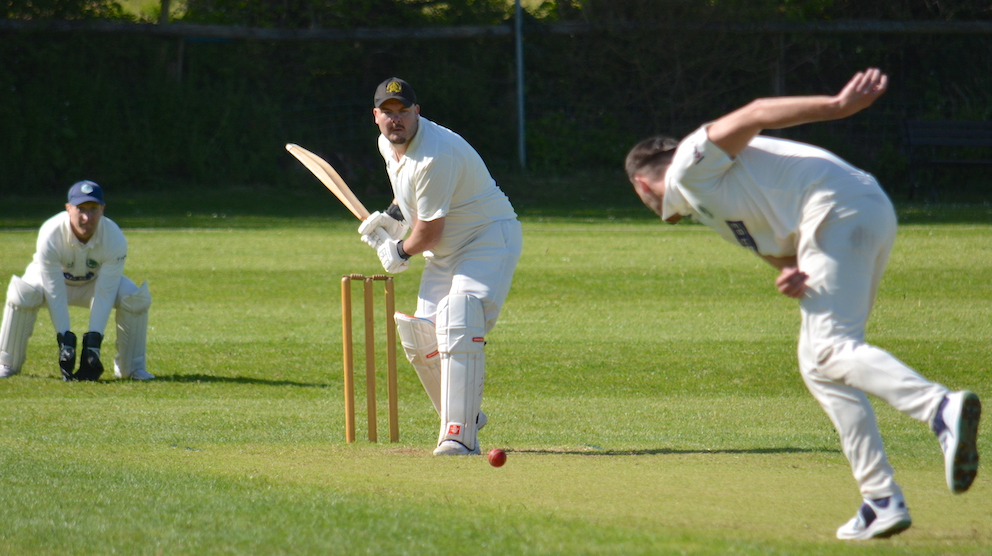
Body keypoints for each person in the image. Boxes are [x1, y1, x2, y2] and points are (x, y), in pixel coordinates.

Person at [625, 68, 981, 540]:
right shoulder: (703, 203)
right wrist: (791, 269)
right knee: (819, 363)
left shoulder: (690, 165)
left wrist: (838, 106)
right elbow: (772, 246)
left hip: (838, 208)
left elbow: (755, 114)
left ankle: (940, 409)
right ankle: (880, 500)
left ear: (642, 186)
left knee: (831, 349)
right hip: (855, 212)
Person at [358, 77, 523, 456]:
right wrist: (391, 218)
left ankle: (458, 436)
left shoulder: (435, 154)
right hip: (446, 251)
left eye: (403, 112)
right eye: (388, 112)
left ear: (417, 112)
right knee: (421, 334)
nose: (395, 120)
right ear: (376, 116)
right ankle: (468, 416)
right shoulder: (388, 144)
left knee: (458, 316)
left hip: (486, 239)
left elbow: (429, 231)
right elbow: (411, 197)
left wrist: (398, 250)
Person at [0, 180, 153, 381]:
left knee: (134, 298)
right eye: (80, 209)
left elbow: (106, 292)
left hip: (92, 284)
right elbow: (54, 290)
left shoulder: (114, 237)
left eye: (93, 209)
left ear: (103, 209)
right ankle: (6, 363)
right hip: (51, 283)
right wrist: (65, 340)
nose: (86, 217)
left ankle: (132, 368)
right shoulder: (50, 233)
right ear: (68, 209)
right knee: (23, 294)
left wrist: (93, 342)